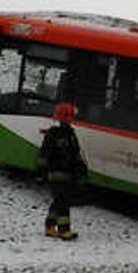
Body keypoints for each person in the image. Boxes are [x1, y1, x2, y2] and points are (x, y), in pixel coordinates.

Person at [36, 101, 87, 240]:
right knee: (63, 201)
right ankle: (64, 230)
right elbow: (44, 154)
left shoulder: (70, 134)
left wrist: (81, 168)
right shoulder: (53, 134)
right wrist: (41, 173)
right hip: (56, 172)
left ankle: (50, 226)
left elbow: (75, 153)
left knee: (59, 201)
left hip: (68, 173)